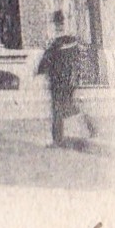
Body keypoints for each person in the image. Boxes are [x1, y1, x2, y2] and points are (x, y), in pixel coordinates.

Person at [36, 11, 97, 147]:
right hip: (70, 80)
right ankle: (89, 123)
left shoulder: (56, 43)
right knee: (68, 107)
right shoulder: (72, 40)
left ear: (56, 24)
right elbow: (77, 58)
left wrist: (40, 72)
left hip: (58, 81)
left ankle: (57, 140)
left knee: (58, 109)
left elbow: (46, 61)